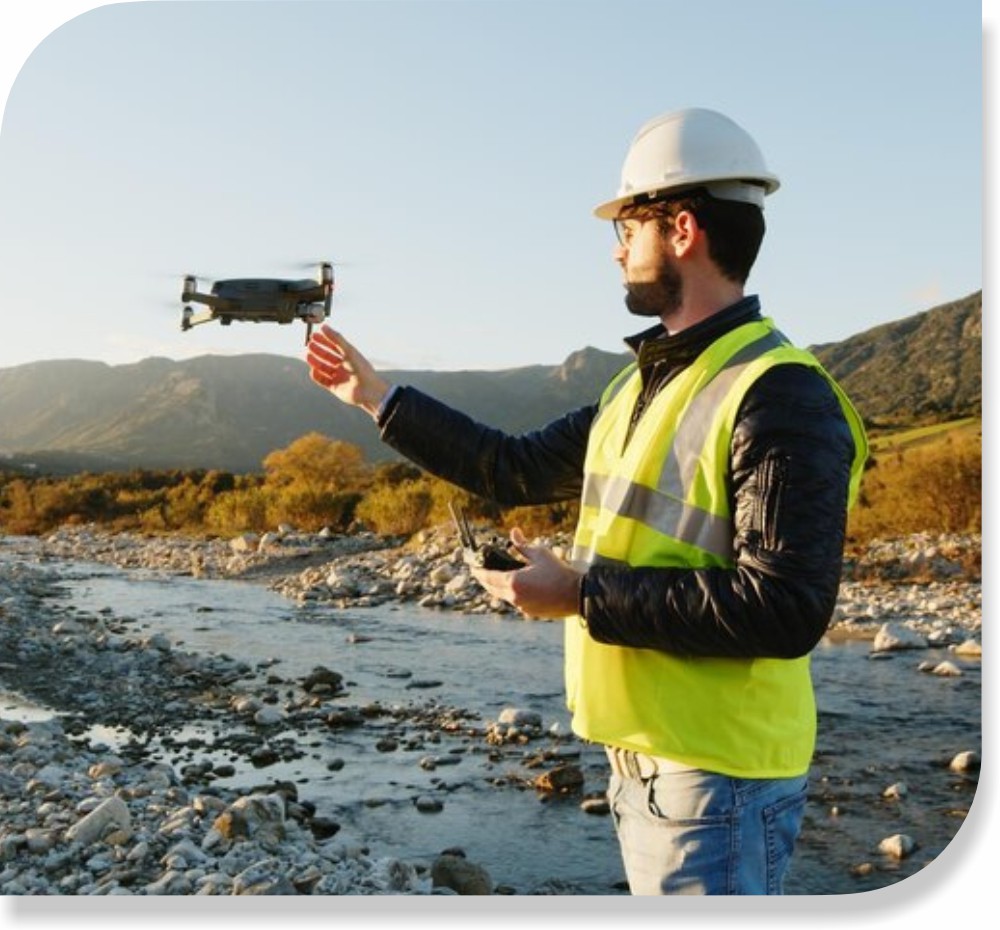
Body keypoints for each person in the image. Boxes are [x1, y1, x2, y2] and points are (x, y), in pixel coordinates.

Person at [304, 107, 868, 895]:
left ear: (680, 229)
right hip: (645, 768)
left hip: (719, 778)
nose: (615, 251)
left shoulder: (781, 395)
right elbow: (510, 467)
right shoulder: (634, 386)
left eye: (625, 228)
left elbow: (783, 607)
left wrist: (578, 593)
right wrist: (372, 396)